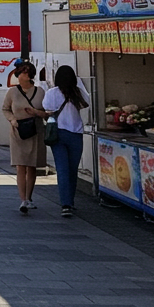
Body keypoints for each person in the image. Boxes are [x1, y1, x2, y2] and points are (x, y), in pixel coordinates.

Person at [40, 65, 90, 216]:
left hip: (58, 133)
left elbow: (46, 108)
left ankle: (65, 204)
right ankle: (70, 201)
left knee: (62, 169)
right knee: (72, 170)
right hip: (76, 133)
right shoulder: (78, 93)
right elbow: (85, 104)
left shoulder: (51, 93)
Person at [1, 60, 46, 214]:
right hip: (18, 131)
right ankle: (23, 200)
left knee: (32, 165)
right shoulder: (12, 92)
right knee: (20, 165)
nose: (20, 75)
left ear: (30, 75)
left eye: (24, 72)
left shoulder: (40, 92)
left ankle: (29, 197)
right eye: (19, 72)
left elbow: (46, 112)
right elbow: (5, 109)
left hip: (35, 130)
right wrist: (12, 120)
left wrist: (37, 113)